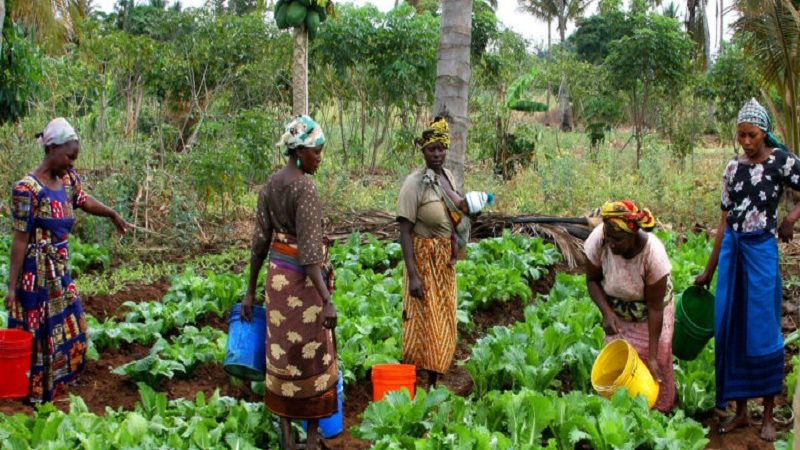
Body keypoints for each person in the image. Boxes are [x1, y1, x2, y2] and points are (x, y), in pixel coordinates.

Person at [695, 98, 800, 441]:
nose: (747, 142)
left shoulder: (781, 161)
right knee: (732, 326)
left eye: (752, 135)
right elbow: (724, 220)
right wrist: (709, 270)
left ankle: (767, 414)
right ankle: (741, 412)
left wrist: (790, 219)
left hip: (761, 252)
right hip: (733, 252)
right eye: (741, 135)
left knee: (763, 328)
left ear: (764, 132)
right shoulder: (732, 169)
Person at [4, 117, 127, 403]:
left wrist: (112, 214)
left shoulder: (68, 180)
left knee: (74, 329)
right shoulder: (27, 189)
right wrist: (12, 288)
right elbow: (20, 240)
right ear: (52, 149)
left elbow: (83, 200)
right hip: (35, 276)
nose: (72, 163)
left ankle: (56, 387)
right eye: (69, 157)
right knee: (39, 336)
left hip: (60, 271)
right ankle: (33, 396)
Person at [242, 115, 337, 450]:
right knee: (312, 356)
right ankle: (311, 441)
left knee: (282, 354)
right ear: (299, 152)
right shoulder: (305, 187)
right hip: (303, 284)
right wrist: (326, 298)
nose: (320, 158)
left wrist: (250, 292)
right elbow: (310, 256)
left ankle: (287, 437)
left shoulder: (271, 185)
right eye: (316, 152)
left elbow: (259, 244)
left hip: (277, 282)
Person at [584, 200, 676, 412]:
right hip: (617, 311)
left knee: (656, 364)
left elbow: (655, 309)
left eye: (617, 240)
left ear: (632, 235)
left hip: (650, 313)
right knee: (619, 364)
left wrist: (652, 356)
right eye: (608, 238)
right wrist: (607, 313)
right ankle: (622, 413)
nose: (611, 244)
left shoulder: (653, 256)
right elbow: (592, 281)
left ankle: (661, 412)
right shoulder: (598, 241)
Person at [397, 117, 463, 389]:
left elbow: (457, 213)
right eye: (431, 149)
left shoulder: (448, 177)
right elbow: (404, 231)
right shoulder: (414, 184)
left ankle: (435, 381)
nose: (436, 154)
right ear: (422, 152)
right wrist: (413, 275)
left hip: (443, 261)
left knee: (443, 319)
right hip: (424, 261)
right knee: (423, 322)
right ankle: (418, 381)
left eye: (441, 149)